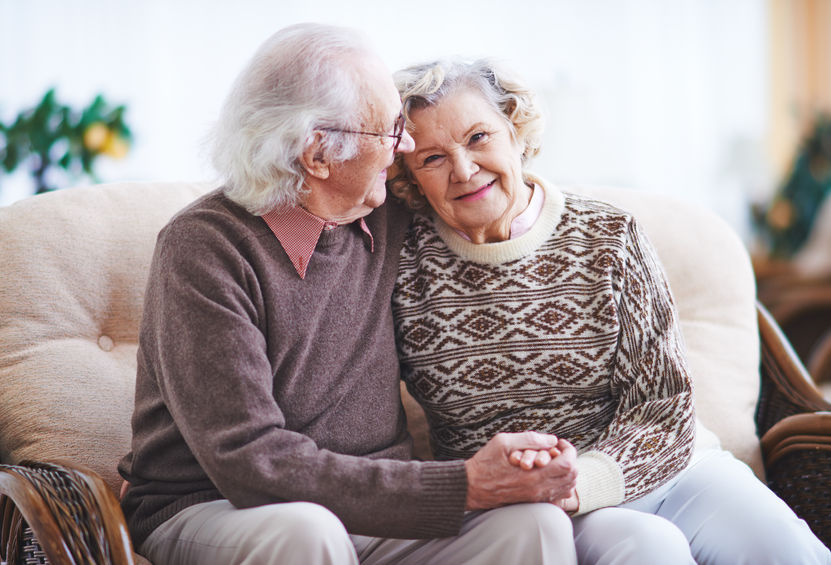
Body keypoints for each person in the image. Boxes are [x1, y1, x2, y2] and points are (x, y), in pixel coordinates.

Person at [118, 24, 581, 565]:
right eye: (389, 131)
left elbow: (493, 193)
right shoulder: (205, 247)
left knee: (534, 525)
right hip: (216, 505)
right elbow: (248, 460)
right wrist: (465, 486)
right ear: (318, 155)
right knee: (307, 531)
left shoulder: (387, 211)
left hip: (374, 507)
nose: (406, 146)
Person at [388, 57, 831, 564]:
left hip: (671, 474)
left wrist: (587, 479)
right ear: (410, 177)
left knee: (784, 547)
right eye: (433, 159)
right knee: (649, 548)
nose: (464, 171)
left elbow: (665, 406)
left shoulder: (609, 236)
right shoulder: (401, 265)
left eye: (478, 137)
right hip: (529, 511)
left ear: (515, 129)